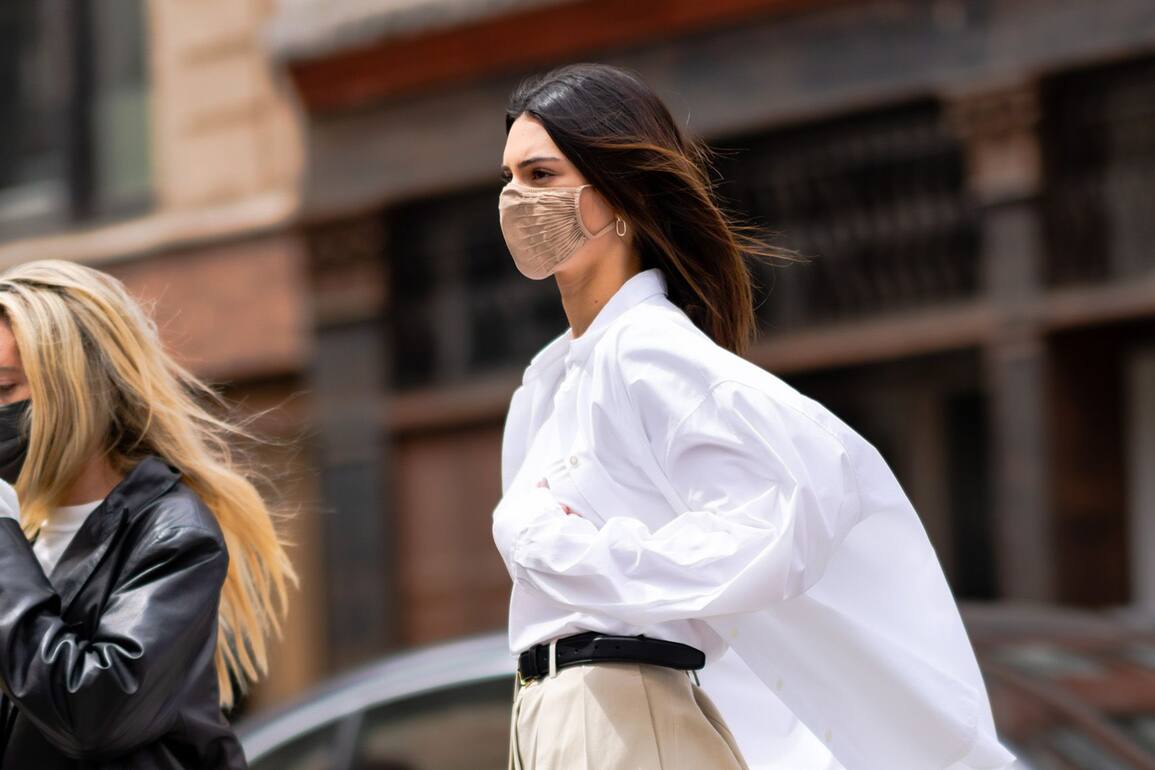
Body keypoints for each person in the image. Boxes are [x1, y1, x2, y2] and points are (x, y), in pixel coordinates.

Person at [492, 63, 1015, 770]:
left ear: (621, 194)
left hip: (617, 708)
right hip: (554, 710)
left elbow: (772, 525)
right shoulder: (549, 381)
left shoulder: (650, 353)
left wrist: (560, 551)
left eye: (541, 175)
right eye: (508, 178)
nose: (516, 200)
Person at [0, 260, 295, 768]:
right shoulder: (25, 539)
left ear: (72, 390)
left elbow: (93, 710)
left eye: (4, 390)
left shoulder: (172, 532)